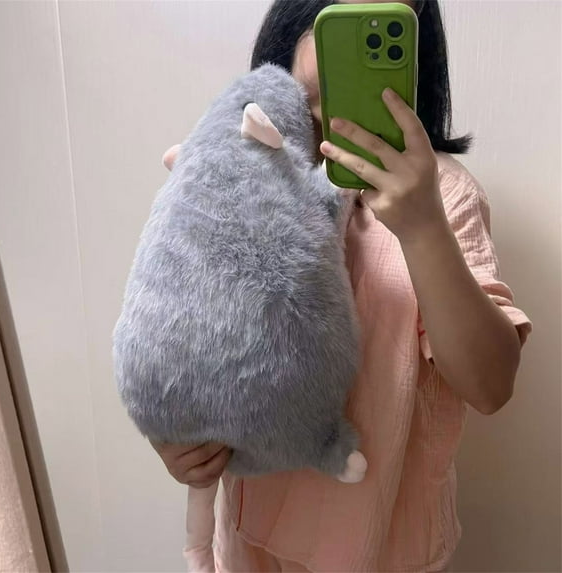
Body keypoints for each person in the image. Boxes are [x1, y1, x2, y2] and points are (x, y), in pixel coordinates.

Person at [152, 0, 533, 570]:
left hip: (384, 546)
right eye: (307, 103)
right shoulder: (245, 173)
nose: (332, 129)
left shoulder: (446, 197)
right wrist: (177, 438)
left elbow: (490, 385)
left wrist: (424, 227)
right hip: (252, 533)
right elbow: (185, 322)